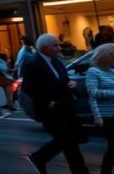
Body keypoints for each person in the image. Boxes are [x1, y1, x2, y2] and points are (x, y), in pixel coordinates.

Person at [22, 33, 88, 174]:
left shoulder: (56, 61)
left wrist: (71, 84)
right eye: (55, 45)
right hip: (49, 110)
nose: (59, 48)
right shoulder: (32, 63)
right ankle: (80, 171)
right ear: (45, 48)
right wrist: (46, 101)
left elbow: (63, 79)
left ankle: (39, 157)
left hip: (65, 107)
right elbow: (28, 87)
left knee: (69, 139)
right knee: (68, 140)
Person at [87, 43, 114, 174]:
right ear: (104, 56)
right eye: (111, 54)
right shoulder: (93, 71)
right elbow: (93, 94)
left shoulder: (112, 71)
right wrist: (97, 116)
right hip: (105, 116)